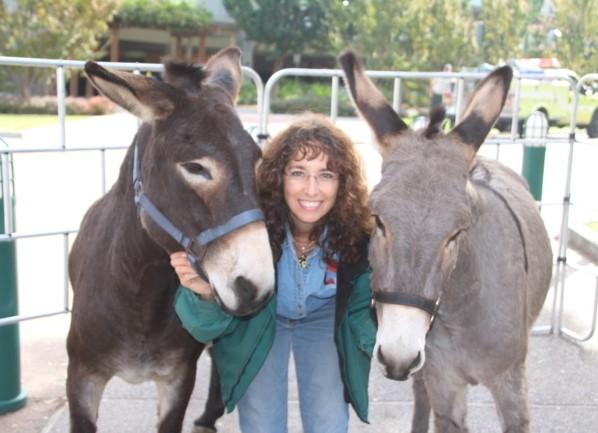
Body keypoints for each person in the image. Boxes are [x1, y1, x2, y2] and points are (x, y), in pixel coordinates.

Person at [171, 113, 375, 433]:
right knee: (261, 423)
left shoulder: (358, 234)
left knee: (329, 422)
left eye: (326, 174)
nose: (311, 189)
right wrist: (206, 293)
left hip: (324, 318)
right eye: (298, 172)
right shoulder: (247, 229)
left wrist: (381, 331)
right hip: (261, 316)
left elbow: (364, 314)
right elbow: (202, 328)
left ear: (343, 182)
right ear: (278, 177)